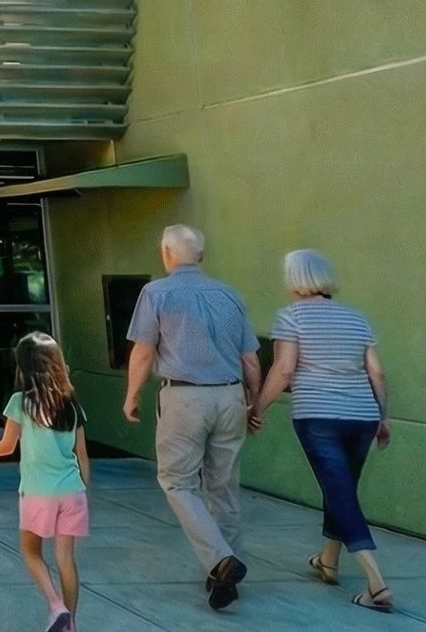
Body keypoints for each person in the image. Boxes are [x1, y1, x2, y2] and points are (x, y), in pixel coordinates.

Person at [122, 224, 259, 612]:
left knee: (177, 482)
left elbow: (144, 352)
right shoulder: (230, 295)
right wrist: (256, 404)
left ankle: (220, 559)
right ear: (201, 255)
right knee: (223, 486)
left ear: (166, 253)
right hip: (231, 394)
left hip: (183, 397)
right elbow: (251, 357)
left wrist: (132, 395)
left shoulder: (156, 293)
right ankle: (222, 575)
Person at [252, 249, 396, 613]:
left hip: (318, 416)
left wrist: (257, 407)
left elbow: (283, 370)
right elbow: (376, 372)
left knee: (340, 493)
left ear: (293, 279)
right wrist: (383, 416)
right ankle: (328, 563)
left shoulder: (290, 317)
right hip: (362, 415)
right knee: (341, 488)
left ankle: (376, 583)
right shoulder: (356, 318)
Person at [0, 333, 90, 632]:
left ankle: (56, 608)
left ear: (24, 366)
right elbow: (82, 456)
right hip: (73, 492)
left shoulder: (21, 401)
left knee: (30, 552)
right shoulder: (71, 403)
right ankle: (71, 624)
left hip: (38, 493)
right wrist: (82, 488)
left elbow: (6, 446)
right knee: (65, 559)